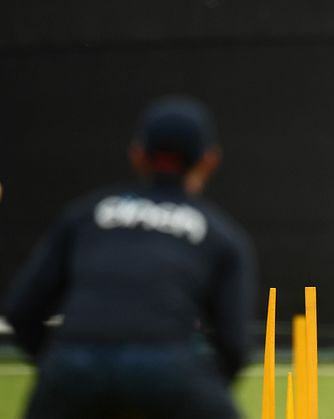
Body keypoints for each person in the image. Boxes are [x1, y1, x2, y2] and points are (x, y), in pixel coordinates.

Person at [3, 96, 258, 419]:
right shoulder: (221, 233)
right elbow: (233, 345)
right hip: (166, 363)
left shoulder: (85, 215)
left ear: (138, 155)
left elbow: (22, 309)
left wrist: (61, 367)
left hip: (74, 359)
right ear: (209, 160)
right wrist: (192, 386)